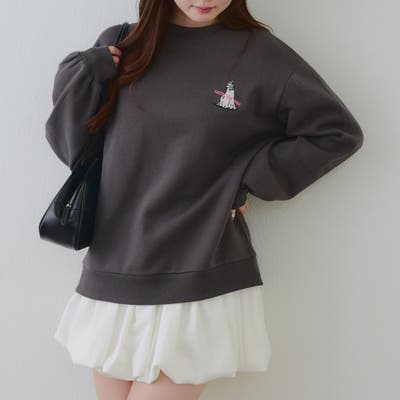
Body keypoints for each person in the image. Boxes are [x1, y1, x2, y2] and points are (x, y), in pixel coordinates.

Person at [45, 1, 364, 399]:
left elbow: (336, 133)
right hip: (115, 266)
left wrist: (246, 179)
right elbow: (75, 149)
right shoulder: (123, 44)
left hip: (198, 264)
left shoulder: (261, 55)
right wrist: (85, 73)